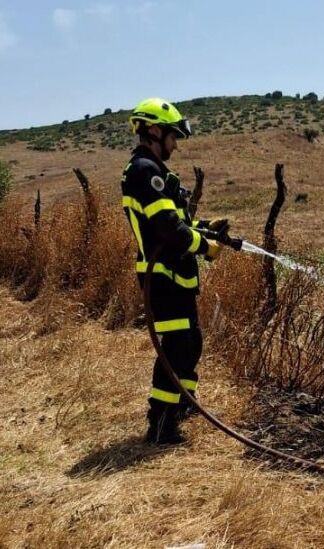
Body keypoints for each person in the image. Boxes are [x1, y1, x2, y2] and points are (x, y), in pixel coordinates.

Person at [121, 97, 228, 444]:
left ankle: (182, 406)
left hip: (175, 275)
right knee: (178, 346)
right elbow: (168, 229)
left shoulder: (156, 172)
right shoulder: (143, 172)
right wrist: (204, 245)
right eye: (172, 136)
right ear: (154, 131)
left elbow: (175, 221)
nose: (175, 144)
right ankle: (161, 424)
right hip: (162, 277)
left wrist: (205, 226)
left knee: (191, 342)